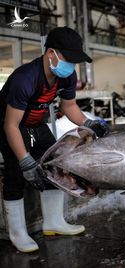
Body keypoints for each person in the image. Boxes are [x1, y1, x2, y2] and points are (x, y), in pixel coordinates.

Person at [0, 26, 109, 253]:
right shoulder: (24, 79)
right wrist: (25, 160)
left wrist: (88, 123)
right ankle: (18, 232)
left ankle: (53, 222)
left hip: (36, 125)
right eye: (69, 59)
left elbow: (69, 106)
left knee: (56, 165)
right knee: (15, 175)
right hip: (9, 125)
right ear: (51, 53)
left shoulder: (66, 75)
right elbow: (11, 125)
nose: (72, 66)